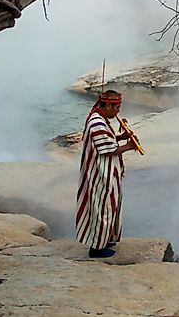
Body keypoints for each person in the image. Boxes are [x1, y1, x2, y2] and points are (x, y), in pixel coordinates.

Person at [75, 89, 139, 258]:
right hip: (101, 174)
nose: (118, 111)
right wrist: (129, 146)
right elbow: (108, 150)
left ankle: (106, 238)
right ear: (108, 105)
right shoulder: (97, 123)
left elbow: (107, 140)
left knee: (111, 206)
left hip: (107, 172)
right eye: (117, 108)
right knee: (103, 208)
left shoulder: (100, 118)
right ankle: (97, 247)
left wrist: (121, 137)